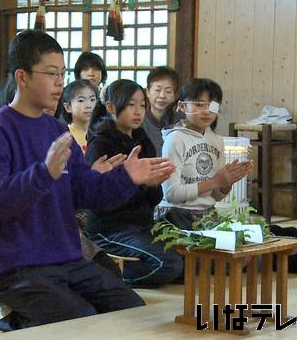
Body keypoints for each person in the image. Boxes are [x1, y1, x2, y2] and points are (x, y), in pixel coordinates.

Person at [0, 30, 175, 330]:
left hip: (66, 260)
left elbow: (87, 192)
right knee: (81, 322)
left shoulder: (55, 130)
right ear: (22, 77)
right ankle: (18, 323)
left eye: (62, 73)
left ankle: (27, 319)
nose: (59, 83)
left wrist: (127, 177)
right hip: (16, 268)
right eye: (51, 73)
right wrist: (44, 173)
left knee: (131, 310)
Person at [85, 79, 182, 288]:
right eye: (131, 105)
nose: (138, 111)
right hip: (110, 228)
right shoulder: (101, 142)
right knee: (169, 265)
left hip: (142, 223)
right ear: (110, 107)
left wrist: (152, 185)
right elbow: (100, 201)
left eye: (142, 105)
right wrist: (136, 183)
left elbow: (153, 200)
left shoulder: (142, 139)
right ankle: (107, 273)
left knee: (191, 258)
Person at [156, 78, 253, 229]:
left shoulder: (216, 140)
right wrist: (215, 182)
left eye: (213, 105)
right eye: (199, 104)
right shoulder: (175, 139)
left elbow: (214, 196)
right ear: (182, 106)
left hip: (208, 214)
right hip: (176, 215)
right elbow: (172, 194)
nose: (207, 111)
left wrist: (227, 182)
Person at [143, 66, 184, 156]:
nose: (162, 95)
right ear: (147, 92)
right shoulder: (138, 122)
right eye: (157, 90)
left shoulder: (184, 122)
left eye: (168, 91)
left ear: (175, 95)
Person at [60, 79, 98, 153]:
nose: (89, 105)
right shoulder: (64, 135)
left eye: (92, 100)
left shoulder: (100, 133)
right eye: (81, 100)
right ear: (68, 107)